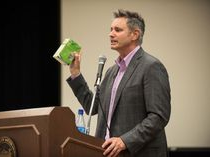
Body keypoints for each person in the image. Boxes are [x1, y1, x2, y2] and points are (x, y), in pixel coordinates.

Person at [67, 9, 171, 157]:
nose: (111, 34)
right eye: (110, 30)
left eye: (117, 30)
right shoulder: (111, 71)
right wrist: (75, 73)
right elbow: (94, 107)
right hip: (106, 152)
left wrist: (125, 141)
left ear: (134, 34)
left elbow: (158, 116)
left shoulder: (151, 66)